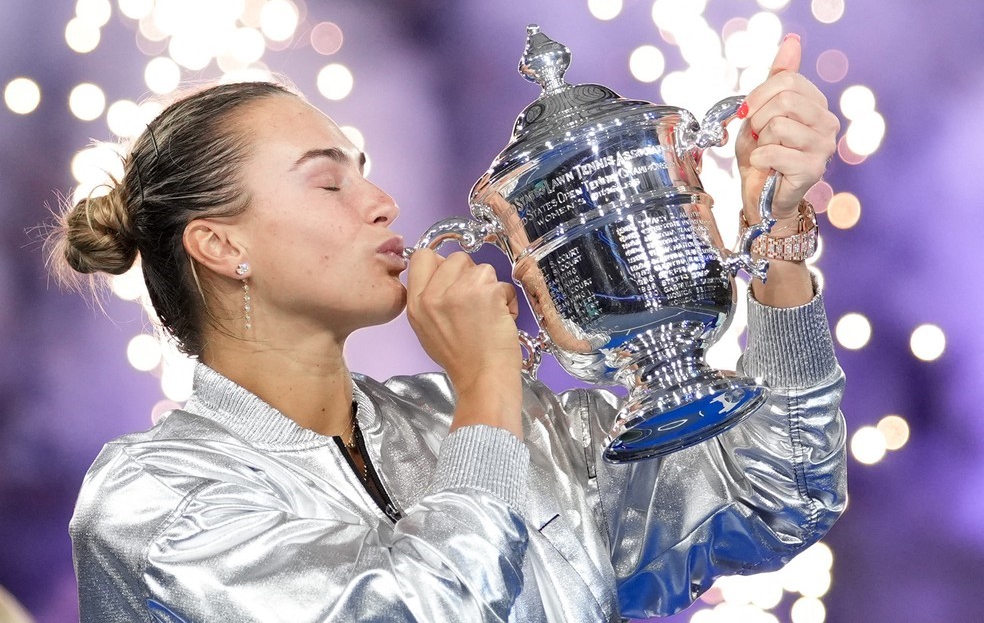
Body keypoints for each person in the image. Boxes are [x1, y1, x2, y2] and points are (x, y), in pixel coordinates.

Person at [51, 33, 846, 622]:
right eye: (328, 181)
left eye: (364, 170)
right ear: (221, 246)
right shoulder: (151, 503)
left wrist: (774, 227)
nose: (381, 202)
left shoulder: (472, 419)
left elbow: (775, 495)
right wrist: (489, 383)